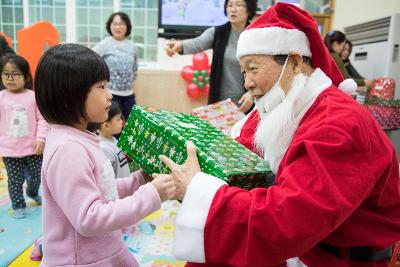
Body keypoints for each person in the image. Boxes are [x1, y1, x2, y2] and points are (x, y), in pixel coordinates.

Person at [158, 3, 400, 267]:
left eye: (253, 68)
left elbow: (290, 221)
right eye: (243, 72)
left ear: (294, 62)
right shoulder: (284, 107)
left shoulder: (337, 123)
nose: (247, 83)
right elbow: (240, 156)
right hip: (309, 248)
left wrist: (198, 188)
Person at [34, 44, 176, 266]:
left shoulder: (80, 139)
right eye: (101, 87)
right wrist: (151, 195)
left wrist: (140, 180)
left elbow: (102, 192)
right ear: (70, 96)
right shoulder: (67, 150)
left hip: (103, 252)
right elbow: (89, 218)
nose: (110, 96)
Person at [164, 0, 257, 113]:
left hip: (246, 104)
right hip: (219, 104)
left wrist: (252, 93)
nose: (233, 9)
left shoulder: (255, 35)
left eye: (238, 5)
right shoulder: (218, 33)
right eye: (230, 5)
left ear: (249, 9)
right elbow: (197, 43)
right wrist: (178, 45)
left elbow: (263, 70)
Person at [0, 54, 48, 219]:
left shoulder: (33, 97)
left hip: (33, 148)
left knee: (37, 176)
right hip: (10, 150)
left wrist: (41, 139)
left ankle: (32, 192)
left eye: (16, 74)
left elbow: (42, 119)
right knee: (15, 180)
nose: (10, 78)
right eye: (6, 74)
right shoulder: (1, 98)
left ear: (26, 76)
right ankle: (18, 204)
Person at [93, 12, 138, 122]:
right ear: (110, 26)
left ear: (127, 26)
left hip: (129, 95)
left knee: (131, 126)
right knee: (113, 128)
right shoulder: (105, 44)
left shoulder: (132, 46)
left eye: (121, 24)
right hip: (110, 94)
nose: (118, 27)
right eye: (115, 24)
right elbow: (91, 61)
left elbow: (135, 68)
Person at [87, 101, 131, 178]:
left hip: (125, 185)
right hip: (119, 188)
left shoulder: (113, 139)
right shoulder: (104, 148)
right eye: (118, 119)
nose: (122, 122)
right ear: (106, 125)